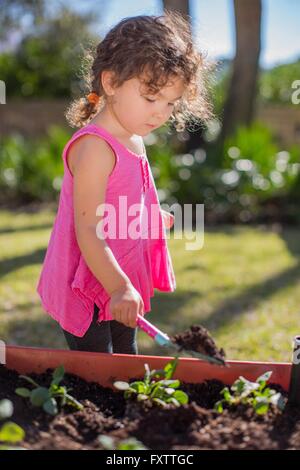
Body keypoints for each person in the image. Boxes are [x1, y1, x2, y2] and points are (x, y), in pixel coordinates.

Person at [36, 10, 212, 355]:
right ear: (111, 83)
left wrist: (148, 215)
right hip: (88, 284)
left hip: (118, 278)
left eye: (170, 103)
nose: (161, 112)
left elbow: (122, 196)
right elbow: (88, 230)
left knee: (125, 359)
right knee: (98, 368)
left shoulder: (133, 138)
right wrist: (118, 288)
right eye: (151, 98)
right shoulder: (95, 149)